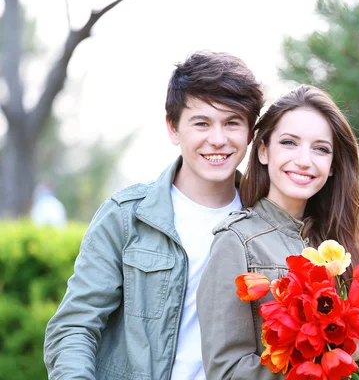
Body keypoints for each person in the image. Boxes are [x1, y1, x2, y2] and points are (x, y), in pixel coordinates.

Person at [44, 51, 264, 380]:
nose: (217, 140)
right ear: (173, 128)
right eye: (201, 123)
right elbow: (74, 327)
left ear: (250, 133)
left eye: (232, 122)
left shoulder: (266, 222)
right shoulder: (126, 216)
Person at [197, 84, 359, 379]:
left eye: (320, 148)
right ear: (264, 150)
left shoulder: (340, 246)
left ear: (332, 165)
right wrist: (327, 357)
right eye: (289, 142)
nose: (304, 160)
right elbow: (226, 372)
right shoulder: (236, 242)